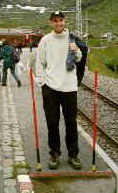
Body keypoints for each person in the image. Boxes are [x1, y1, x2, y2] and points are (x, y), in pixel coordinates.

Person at [36, 11, 82, 170]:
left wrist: (76, 50)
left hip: (69, 87)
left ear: (65, 21)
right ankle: (55, 154)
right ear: (51, 23)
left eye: (61, 20)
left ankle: (73, 154)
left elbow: (79, 59)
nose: (58, 23)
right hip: (50, 88)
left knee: (71, 122)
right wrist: (41, 83)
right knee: (52, 122)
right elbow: (40, 63)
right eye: (55, 21)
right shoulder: (45, 40)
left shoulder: (72, 38)